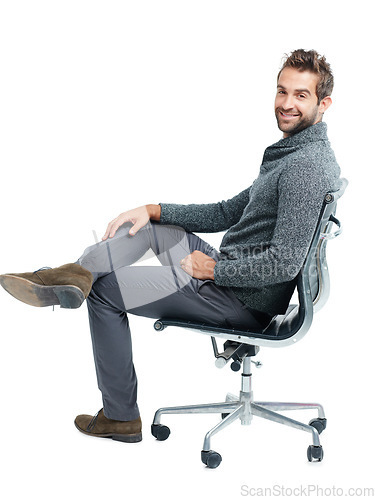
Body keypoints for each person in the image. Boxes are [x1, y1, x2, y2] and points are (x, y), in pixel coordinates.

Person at [0, 49, 341, 443]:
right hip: (234, 277)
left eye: (301, 95)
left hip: (243, 298)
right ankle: (71, 276)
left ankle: (120, 416)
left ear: (323, 103)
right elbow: (228, 211)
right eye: (282, 91)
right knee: (149, 227)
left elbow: (283, 264)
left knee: (107, 293)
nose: (286, 103)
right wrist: (153, 208)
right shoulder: (295, 154)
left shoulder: (305, 168)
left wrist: (214, 271)